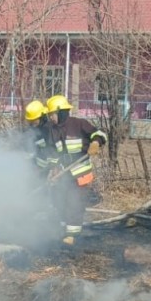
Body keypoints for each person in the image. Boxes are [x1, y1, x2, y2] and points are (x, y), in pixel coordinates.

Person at [44, 94, 107, 245]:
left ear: (60, 112)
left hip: (80, 174)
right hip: (64, 175)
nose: (50, 117)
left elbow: (99, 133)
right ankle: (64, 229)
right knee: (60, 202)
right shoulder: (52, 131)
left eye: (52, 114)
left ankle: (72, 236)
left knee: (74, 204)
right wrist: (53, 169)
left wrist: (96, 143)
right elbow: (53, 152)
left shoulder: (79, 124)